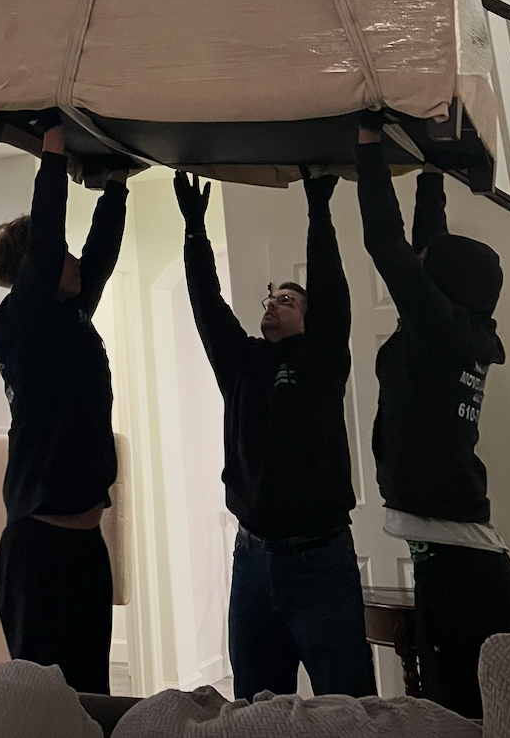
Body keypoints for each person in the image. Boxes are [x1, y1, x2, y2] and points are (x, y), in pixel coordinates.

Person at [177, 168, 376, 701]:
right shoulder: (242, 363)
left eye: (287, 300)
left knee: (347, 707)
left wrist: (318, 209)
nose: (272, 302)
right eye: (269, 297)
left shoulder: (321, 360)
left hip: (321, 564)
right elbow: (208, 309)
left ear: (310, 322)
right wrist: (195, 232)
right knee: (256, 706)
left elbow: (332, 294)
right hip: (252, 563)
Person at [356, 121, 510, 719]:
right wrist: (430, 172)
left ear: (442, 284)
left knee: (461, 719)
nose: (416, 267)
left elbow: (386, 243)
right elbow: (429, 246)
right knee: (456, 714)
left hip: (461, 575)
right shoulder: (462, 332)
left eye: (428, 268)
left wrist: (367, 140)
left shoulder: (441, 334)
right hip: (459, 566)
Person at [0, 123, 130, 694]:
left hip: (85, 546)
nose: (73, 262)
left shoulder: (69, 319)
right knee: (42, 703)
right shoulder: (24, 328)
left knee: (91, 693)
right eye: (59, 257)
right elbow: (48, 241)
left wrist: (116, 183)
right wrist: (52, 147)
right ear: (33, 275)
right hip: (38, 554)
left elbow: (99, 257)